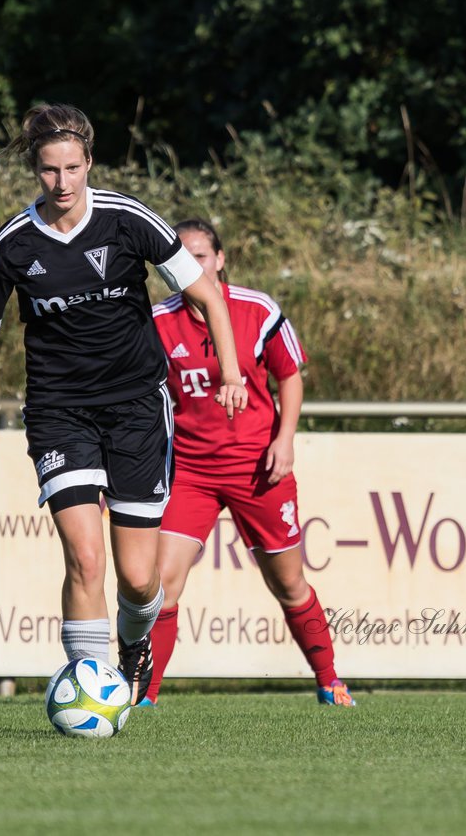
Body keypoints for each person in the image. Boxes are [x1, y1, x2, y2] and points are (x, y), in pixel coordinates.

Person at [0, 104, 247, 705]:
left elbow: (209, 297)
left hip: (138, 409)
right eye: (47, 171)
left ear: (89, 163)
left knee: (140, 580)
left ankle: (133, 641)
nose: (61, 183)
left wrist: (231, 372)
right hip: (60, 413)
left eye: (72, 168)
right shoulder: (11, 247)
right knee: (86, 560)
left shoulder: (127, 220)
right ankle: (94, 692)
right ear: (34, 171)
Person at [146, 219, 354, 706]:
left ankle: (329, 681)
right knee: (160, 583)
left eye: (200, 255)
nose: (189, 265)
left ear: (220, 259)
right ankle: (143, 696)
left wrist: (285, 439)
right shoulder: (157, 320)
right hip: (191, 472)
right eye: (179, 257)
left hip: (257, 468)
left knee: (288, 581)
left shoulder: (257, 310)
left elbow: (291, 377)